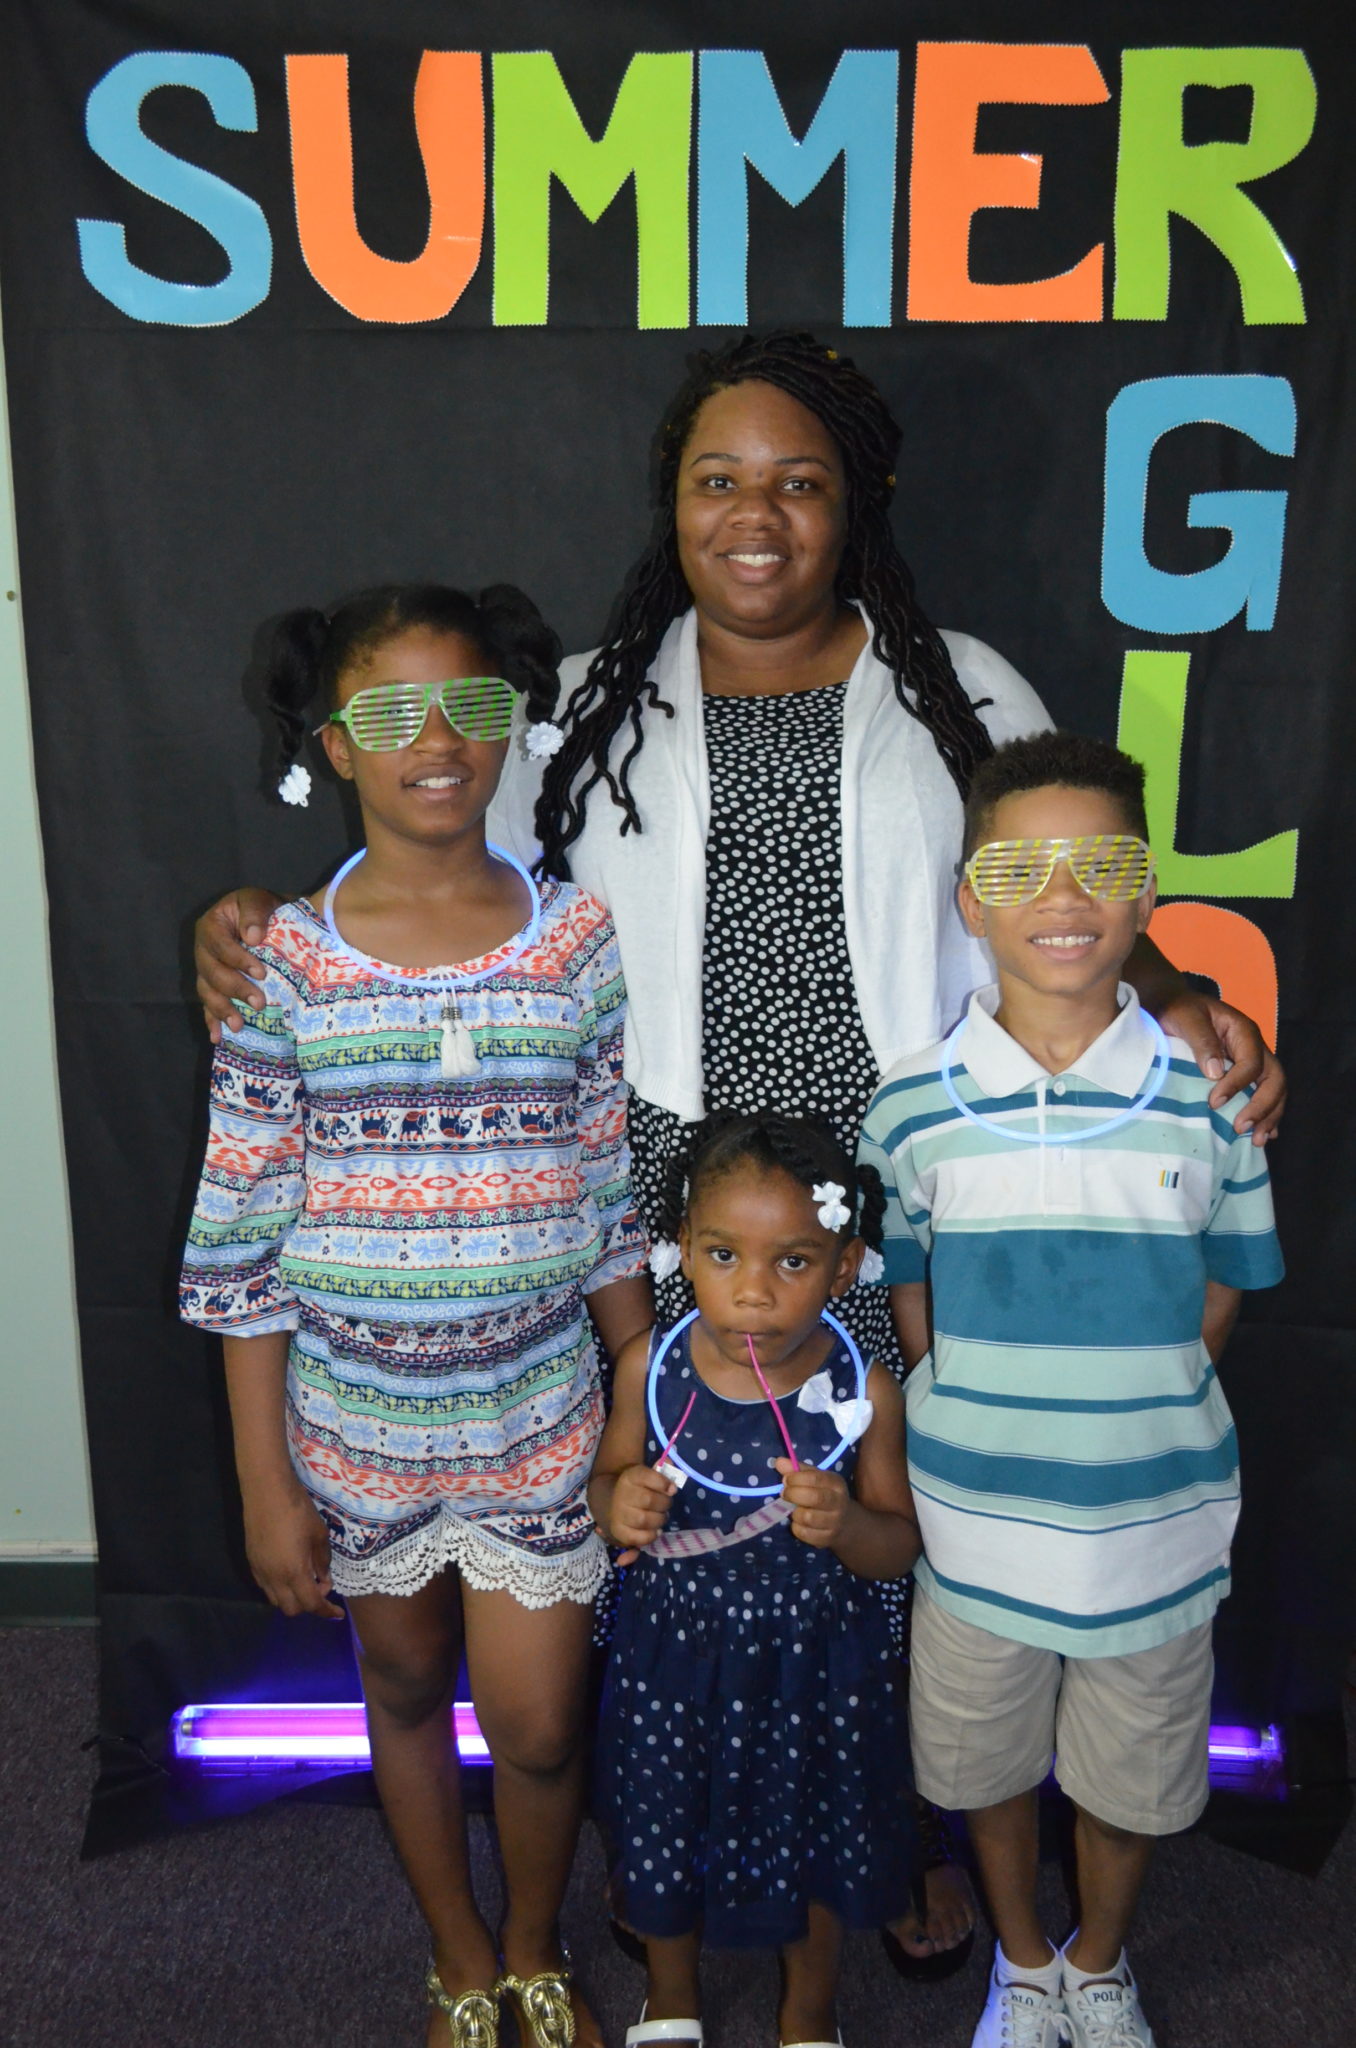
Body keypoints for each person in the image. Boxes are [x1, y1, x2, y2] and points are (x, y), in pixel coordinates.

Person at [192, 331, 1286, 1964]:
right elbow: (427, 863)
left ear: (856, 509)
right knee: (670, 1534)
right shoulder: (575, 708)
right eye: (718, 479)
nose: (755, 512)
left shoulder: (962, 688)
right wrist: (248, 919)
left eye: (799, 481)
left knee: (882, 1515)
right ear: (672, 504)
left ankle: (896, 1831)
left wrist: (1179, 987)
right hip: (660, 1185)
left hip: (892, 1175)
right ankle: (685, 1847)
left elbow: (1062, 884)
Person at [180, 582, 652, 2048]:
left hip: (539, 1415)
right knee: (398, 1682)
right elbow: (242, 1239)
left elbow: (606, 1183)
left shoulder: (574, 938)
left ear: (514, 725)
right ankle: (456, 1945)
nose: (434, 741)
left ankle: (533, 1938)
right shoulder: (283, 965)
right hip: (358, 1428)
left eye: (470, 707)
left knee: (539, 1720)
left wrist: (635, 1372)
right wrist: (268, 1485)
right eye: (389, 714)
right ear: (333, 745)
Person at [858, 731, 1284, 2048]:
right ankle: (1027, 1962)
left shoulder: (1215, 1102)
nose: (1064, 896)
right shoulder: (912, 1109)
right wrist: (969, 1412)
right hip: (976, 1539)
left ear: (1147, 894)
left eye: (1101, 865)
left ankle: (1101, 1963)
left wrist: (1134, 1401)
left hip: (1155, 1536)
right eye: (1024, 867)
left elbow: (1227, 1284)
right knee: (983, 1767)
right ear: (971, 897)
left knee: (1132, 1779)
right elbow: (914, 1293)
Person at [588, 1112, 921, 2048]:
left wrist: (847, 1524)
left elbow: (898, 1545)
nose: (754, 1296)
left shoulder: (866, 1394)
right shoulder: (646, 1368)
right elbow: (604, 1482)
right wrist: (618, 1505)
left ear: (846, 1266)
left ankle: (809, 2012)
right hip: (676, 1665)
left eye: (794, 1263)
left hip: (813, 1670)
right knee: (665, 1828)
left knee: (812, 1835)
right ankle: (673, 1999)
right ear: (682, 1251)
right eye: (725, 1255)